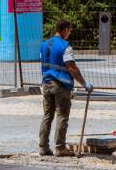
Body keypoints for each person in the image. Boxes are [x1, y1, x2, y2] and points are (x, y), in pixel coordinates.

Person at [39, 19, 92, 157]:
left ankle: (43, 147)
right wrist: (84, 83)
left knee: (47, 115)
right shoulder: (65, 46)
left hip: (46, 83)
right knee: (62, 115)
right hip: (60, 85)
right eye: (70, 30)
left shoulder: (44, 45)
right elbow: (71, 67)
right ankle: (60, 147)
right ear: (66, 30)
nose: (70, 33)